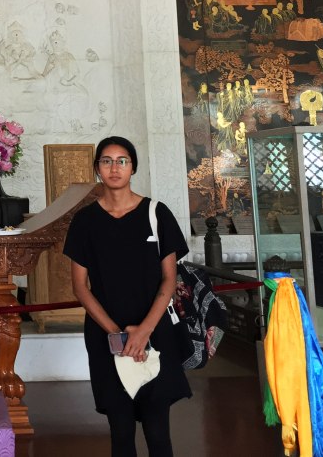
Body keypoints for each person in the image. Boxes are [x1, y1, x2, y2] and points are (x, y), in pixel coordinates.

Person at [63, 136, 191, 457]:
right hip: (107, 336)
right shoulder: (85, 221)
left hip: (155, 332)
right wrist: (117, 334)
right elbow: (80, 286)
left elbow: (169, 279)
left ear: (133, 167)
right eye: (107, 161)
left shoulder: (156, 214)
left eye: (122, 161)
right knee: (120, 433)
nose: (115, 168)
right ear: (97, 169)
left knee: (158, 431)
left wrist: (143, 330)